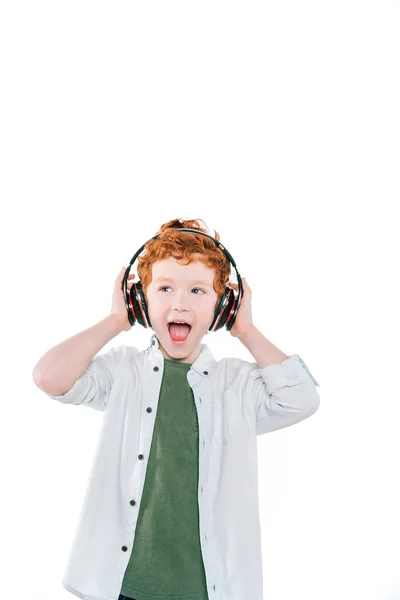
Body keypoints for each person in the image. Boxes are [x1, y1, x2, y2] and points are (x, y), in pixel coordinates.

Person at [32, 217, 320, 600]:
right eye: (164, 288)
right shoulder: (124, 372)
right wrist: (115, 321)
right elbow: (49, 377)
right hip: (124, 585)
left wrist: (246, 330)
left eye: (198, 291)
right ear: (140, 301)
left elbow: (303, 398)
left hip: (207, 590)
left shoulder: (236, 385)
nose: (180, 302)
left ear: (223, 309)